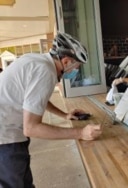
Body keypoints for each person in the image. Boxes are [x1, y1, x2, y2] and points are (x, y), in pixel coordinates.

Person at [0, 32, 102, 188]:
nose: (76, 71)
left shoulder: (36, 60)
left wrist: (65, 114)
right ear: (66, 61)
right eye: (76, 67)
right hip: (6, 138)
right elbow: (31, 128)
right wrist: (80, 133)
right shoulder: (45, 72)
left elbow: (35, 99)